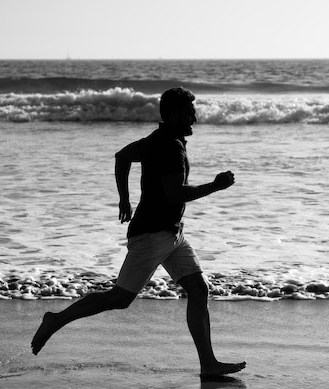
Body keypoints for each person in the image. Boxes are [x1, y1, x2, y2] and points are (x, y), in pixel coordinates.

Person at [31, 87, 246, 378]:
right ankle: (56, 319)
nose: (194, 117)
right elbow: (174, 194)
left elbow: (122, 157)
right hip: (152, 235)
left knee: (198, 289)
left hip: (171, 234)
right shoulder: (168, 145)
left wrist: (125, 199)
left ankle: (208, 364)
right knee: (118, 299)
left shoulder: (156, 141)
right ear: (172, 114)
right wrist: (215, 185)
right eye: (188, 112)